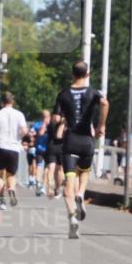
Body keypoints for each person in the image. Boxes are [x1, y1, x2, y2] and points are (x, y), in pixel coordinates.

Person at [53, 61, 109, 238]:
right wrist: (101, 125)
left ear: (72, 74)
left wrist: (62, 121)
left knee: (68, 181)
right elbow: (105, 104)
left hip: (70, 141)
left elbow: (55, 118)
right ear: (88, 74)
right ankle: (81, 193)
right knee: (84, 173)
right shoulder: (93, 92)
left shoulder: (63, 94)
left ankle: (72, 218)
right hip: (87, 141)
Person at [0, 92, 28, 209]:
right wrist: (19, 137)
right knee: (11, 174)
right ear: (13, 102)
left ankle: (2, 202)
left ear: (2, 102)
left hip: (0, 146)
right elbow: (24, 130)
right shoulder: (19, 114)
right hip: (14, 148)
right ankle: (11, 188)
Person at [43, 112, 64, 199]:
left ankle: (50, 189)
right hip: (61, 147)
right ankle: (57, 189)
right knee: (59, 170)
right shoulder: (64, 124)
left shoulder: (50, 123)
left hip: (51, 147)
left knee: (51, 169)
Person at [31, 110, 50, 196]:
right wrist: (44, 124)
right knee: (39, 165)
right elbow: (36, 133)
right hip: (40, 149)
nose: (47, 119)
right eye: (45, 117)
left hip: (49, 149)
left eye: (48, 117)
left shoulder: (51, 125)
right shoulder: (38, 124)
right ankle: (38, 182)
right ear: (42, 117)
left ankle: (43, 186)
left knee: (47, 168)